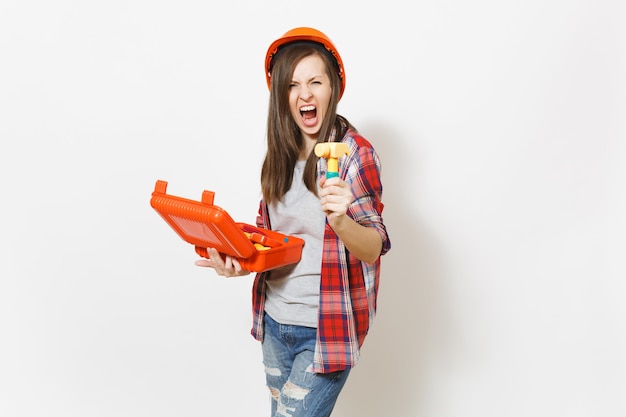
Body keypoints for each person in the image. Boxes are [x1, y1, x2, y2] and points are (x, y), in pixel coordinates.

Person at [195, 27, 391, 417]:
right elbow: (273, 244)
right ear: (281, 96)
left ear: (332, 88)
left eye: (315, 81)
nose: (305, 94)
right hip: (275, 321)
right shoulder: (279, 157)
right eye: (293, 85)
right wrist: (238, 262)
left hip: (325, 331)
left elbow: (374, 245)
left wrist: (340, 221)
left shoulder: (354, 154)